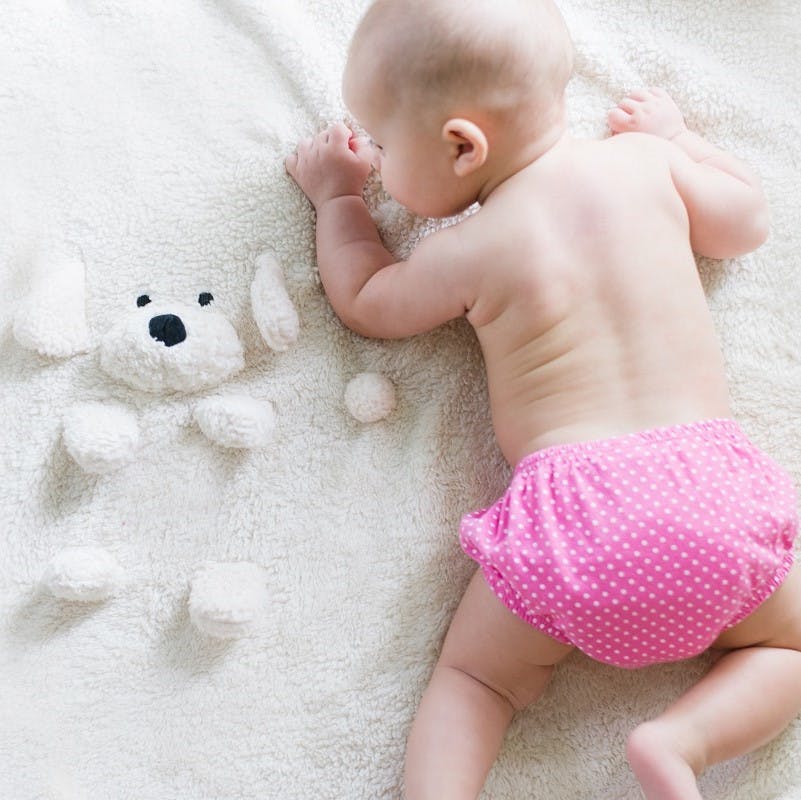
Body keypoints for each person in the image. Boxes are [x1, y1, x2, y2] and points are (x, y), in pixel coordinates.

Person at [284, 1, 801, 797]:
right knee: (787, 650)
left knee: (475, 683)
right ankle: (680, 743)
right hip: (712, 500)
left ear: (463, 145)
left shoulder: (469, 249)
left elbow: (368, 302)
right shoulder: (643, 167)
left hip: (578, 523)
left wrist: (337, 202)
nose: (377, 164)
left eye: (384, 147)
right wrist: (677, 139)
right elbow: (746, 222)